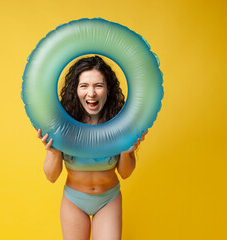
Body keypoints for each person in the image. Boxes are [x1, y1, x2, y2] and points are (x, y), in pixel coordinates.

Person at [37, 56, 146, 240]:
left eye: (98, 85)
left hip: (108, 199)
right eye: (84, 86)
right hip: (74, 201)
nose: (91, 93)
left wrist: (127, 153)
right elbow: (51, 176)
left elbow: (125, 173)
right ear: (76, 90)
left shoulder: (120, 124)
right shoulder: (63, 125)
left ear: (108, 89)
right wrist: (54, 152)